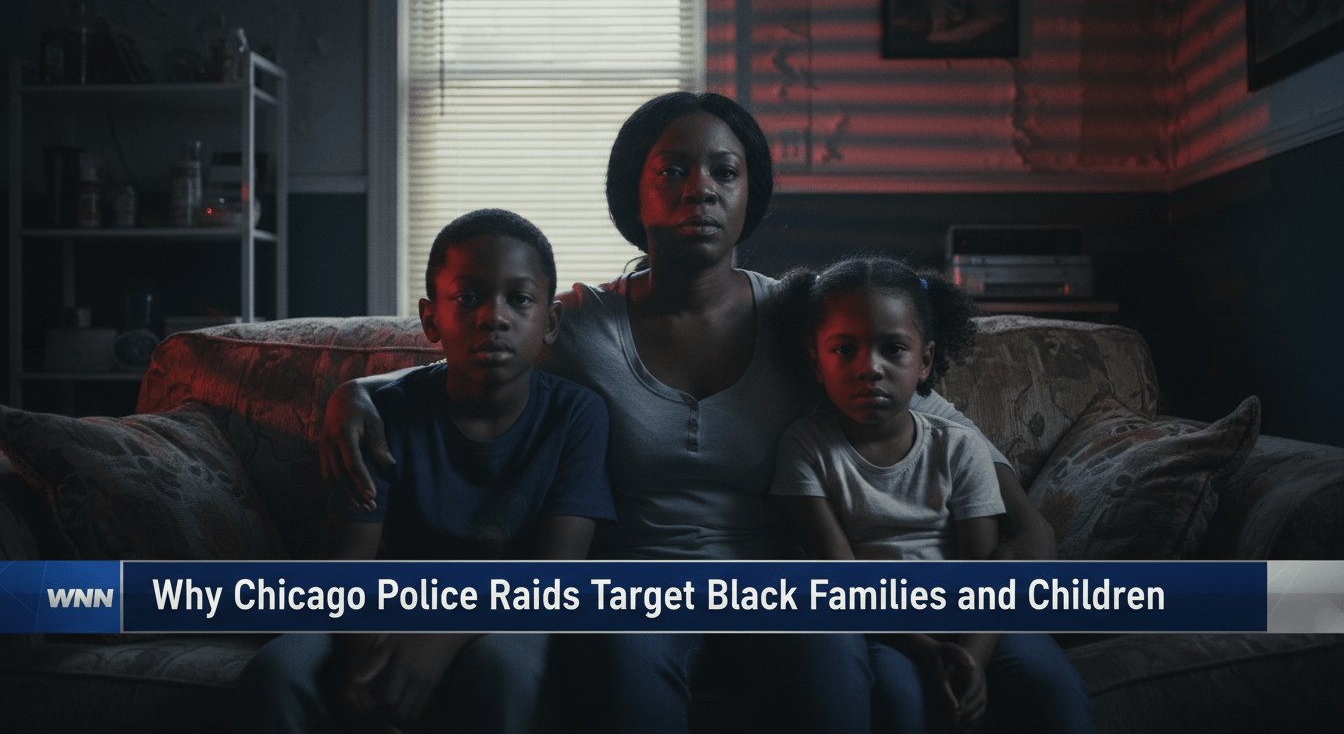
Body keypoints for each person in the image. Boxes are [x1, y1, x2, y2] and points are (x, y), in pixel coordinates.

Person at [320, 92, 1056, 732]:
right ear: (632, 195)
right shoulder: (582, 322)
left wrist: (1017, 522)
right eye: (671, 171)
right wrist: (362, 391)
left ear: (748, 195)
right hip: (635, 586)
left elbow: (926, 414)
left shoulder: (804, 316)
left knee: (830, 657)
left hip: (778, 584)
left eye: (723, 173)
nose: (699, 190)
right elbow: (482, 349)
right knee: (620, 661)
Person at [238, 209, 616, 734]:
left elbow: (556, 577)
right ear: (431, 318)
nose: (494, 316)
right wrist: (364, 654)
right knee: (278, 670)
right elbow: (346, 566)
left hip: (506, 618)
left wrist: (445, 632)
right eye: (467, 298)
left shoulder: (577, 416)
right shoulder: (383, 414)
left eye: (520, 299)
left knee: (504, 670)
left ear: (549, 321)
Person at [771, 255, 1093, 734]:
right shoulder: (805, 446)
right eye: (845, 350)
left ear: (925, 362)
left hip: (976, 619)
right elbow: (838, 580)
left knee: (1051, 690)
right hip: (890, 629)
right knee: (902, 704)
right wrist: (926, 649)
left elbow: (984, 571)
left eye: (893, 349)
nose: (870, 369)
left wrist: (970, 657)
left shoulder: (959, 446)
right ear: (815, 361)